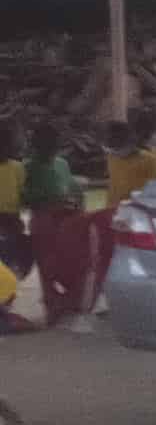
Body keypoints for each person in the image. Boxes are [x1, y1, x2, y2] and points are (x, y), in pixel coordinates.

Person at [21, 128, 95, 325]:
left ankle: (70, 301)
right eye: (44, 147)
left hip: (67, 219)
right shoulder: (27, 167)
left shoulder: (62, 164)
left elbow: (73, 189)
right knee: (46, 266)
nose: (49, 151)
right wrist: (49, 201)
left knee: (73, 261)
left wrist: (76, 205)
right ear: (35, 147)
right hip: (43, 220)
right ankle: (52, 306)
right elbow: (23, 196)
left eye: (52, 146)